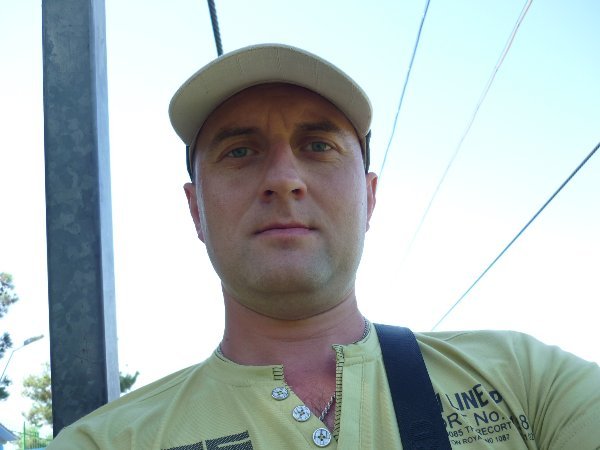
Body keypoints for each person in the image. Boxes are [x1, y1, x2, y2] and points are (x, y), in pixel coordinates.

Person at [48, 44, 600, 449]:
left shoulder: (529, 380)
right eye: (240, 151)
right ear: (196, 210)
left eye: (317, 145)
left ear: (370, 196)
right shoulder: (105, 442)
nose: (283, 179)